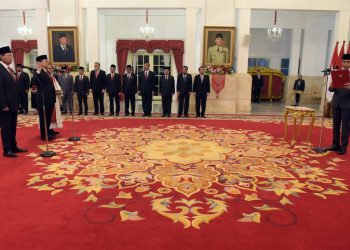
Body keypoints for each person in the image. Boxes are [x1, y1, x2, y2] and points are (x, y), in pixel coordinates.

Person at [0, 46, 27, 157]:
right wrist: (3, 104)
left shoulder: (9, 69)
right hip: (5, 105)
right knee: (6, 128)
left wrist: (18, 102)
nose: (12, 57)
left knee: (12, 126)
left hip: (13, 104)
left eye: (12, 55)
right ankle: (7, 149)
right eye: (9, 55)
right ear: (1, 56)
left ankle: (13, 146)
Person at [326, 53, 350, 155]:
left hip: (347, 105)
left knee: (345, 127)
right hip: (336, 103)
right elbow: (331, 89)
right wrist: (331, 85)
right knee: (335, 125)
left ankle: (343, 147)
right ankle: (335, 144)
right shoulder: (337, 73)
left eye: (348, 62)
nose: (345, 64)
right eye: (344, 62)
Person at [35, 55, 56, 141]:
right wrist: (38, 70)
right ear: (39, 63)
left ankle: (47, 132)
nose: (47, 61)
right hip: (43, 100)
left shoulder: (46, 71)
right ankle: (44, 135)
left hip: (50, 99)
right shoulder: (38, 72)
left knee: (48, 118)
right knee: (43, 118)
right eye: (45, 60)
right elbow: (36, 81)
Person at [47, 64, 63, 133]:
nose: (51, 69)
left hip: (55, 98)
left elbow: (57, 86)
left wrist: (60, 91)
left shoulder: (52, 77)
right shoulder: (47, 77)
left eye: (52, 68)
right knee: (50, 115)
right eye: (49, 68)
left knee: (54, 114)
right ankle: (49, 130)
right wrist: (57, 91)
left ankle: (52, 129)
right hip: (49, 98)